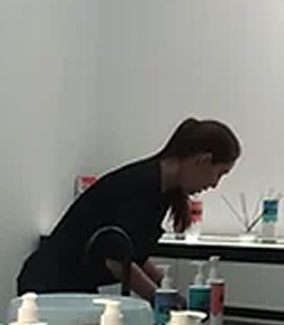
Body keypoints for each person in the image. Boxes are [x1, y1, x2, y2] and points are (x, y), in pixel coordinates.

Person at [17, 118, 241, 301]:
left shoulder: (163, 190)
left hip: (74, 283)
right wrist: (160, 300)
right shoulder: (139, 185)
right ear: (203, 160)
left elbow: (134, 255)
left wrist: (167, 288)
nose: (214, 184)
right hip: (49, 284)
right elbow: (116, 260)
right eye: (219, 174)